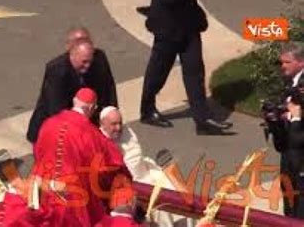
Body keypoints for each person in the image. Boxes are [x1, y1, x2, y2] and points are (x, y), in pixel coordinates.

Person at [138, 0, 232, 135]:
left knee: (195, 71)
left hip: (189, 25)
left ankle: (202, 119)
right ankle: (147, 110)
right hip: (167, 27)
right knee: (158, 71)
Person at [32, 88, 130, 226]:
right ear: (92, 108)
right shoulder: (92, 134)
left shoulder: (48, 123)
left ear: (74, 102)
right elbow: (110, 166)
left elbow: (37, 152)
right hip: (73, 195)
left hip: (45, 188)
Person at [99, 106, 196, 226]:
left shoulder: (126, 132)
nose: (118, 128)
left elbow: (136, 157)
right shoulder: (99, 142)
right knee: (161, 204)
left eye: (120, 123)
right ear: (103, 124)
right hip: (130, 185)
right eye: (113, 124)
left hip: (146, 172)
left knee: (176, 192)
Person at [27, 34, 117, 143]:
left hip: (86, 123)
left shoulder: (100, 58)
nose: (88, 65)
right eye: (84, 62)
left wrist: (111, 115)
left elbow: (109, 88)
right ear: (72, 56)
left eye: (90, 61)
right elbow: (56, 110)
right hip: (54, 130)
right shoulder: (56, 71)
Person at [265, 42, 304, 218]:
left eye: (287, 62)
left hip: (301, 157)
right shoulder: (290, 81)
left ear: (301, 62)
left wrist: (294, 117)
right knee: (289, 197)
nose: (283, 66)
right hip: (288, 152)